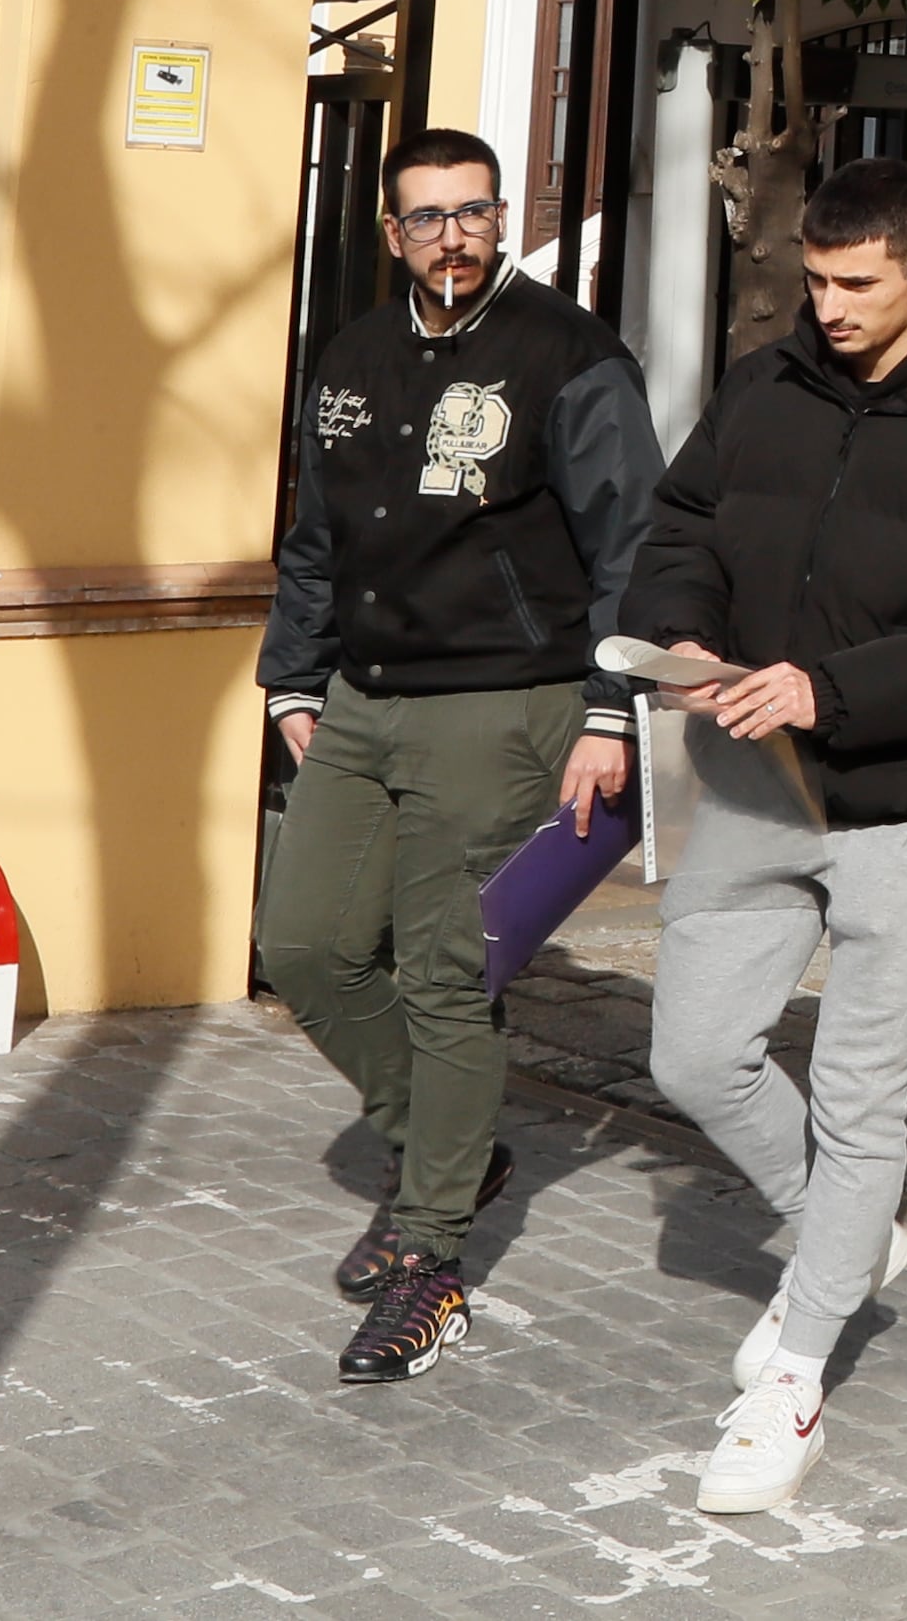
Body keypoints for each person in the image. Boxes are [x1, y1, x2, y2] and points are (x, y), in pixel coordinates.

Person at [622, 156, 907, 1517]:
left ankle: (797, 1379)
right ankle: (852, 1236)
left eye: (855, 283)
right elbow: (685, 522)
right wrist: (689, 631)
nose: (826, 305)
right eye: (815, 280)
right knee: (695, 1051)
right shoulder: (768, 387)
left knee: (860, 1089)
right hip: (760, 784)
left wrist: (835, 688)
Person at [253, 128, 663, 1386]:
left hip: (507, 701)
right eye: (425, 217)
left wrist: (609, 710)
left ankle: (432, 1257)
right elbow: (316, 533)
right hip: (363, 699)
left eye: (471, 213)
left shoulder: (570, 357)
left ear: (502, 220)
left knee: (443, 973)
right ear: (391, 233)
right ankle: (448, 1141)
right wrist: (288, 675)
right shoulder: (356, 354)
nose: (450, 236)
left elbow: (632, 549)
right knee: (306, 947)